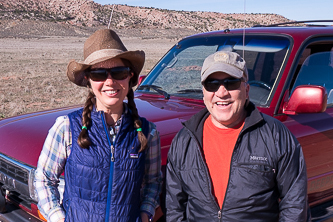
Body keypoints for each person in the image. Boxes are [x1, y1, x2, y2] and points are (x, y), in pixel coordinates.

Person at [165, 51, 310, 221]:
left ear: (246, 90)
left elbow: (295, 205)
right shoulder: (185, 140)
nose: (221, 93)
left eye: (231, 83)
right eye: (212, 84)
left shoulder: (275, 136)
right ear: (203, 92)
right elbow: (174, 207)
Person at [34, 29, 162, 222]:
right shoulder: (67, 127)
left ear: (130, 77)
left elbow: (153, 182)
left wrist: (144, 215)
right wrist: (58, 218)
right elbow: (44, 179)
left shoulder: (147, 132)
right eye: (99, 74)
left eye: (119, 72)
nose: (110, 82)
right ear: (88, 80)